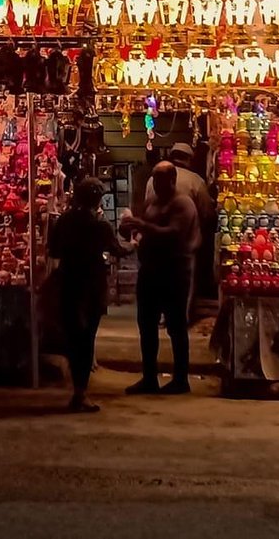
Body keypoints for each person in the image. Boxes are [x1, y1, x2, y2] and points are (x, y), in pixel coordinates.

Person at [48, 177, 131, 412]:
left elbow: (53, 250)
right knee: (86, 339)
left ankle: (77, 390)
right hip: (91, 284)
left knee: (74, 337)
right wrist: (135, 242)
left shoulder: (64, 221)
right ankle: (80, 393)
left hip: (68, 280)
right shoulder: (100, 225)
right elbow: (118, 250)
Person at [120, 161, 199, 395]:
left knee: (176, 326)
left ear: (172, 180)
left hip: (174, 271)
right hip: (151, 270)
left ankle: (181, 379)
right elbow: (144, 229)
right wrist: (131, 229)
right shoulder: (153, 201)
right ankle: (149, 377)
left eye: (161, 180)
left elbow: (174, 234)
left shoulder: (182, 203)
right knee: (146, 325)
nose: (156, 184)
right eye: (154, 180)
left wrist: (141, 224)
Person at [145, 142, 216, 307]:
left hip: (156, 240)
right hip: (184, 242)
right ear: (189, 159)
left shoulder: (151, 179)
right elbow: (207, 213)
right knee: (184, 281)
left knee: (159, 279)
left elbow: (147, 206)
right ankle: (182, 316)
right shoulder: (195, 181)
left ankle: (162, 314)